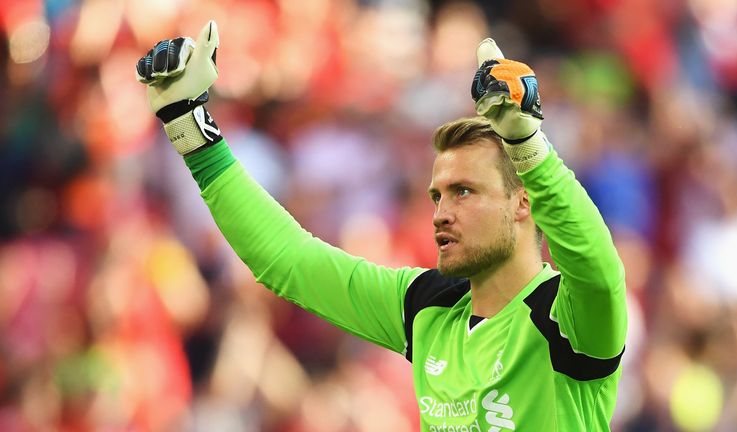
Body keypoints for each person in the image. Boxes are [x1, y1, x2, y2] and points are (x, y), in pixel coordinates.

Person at [135, 21, 627, 431]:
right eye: (437, 194)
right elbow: (286, 258)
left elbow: (597, 267)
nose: (441, 212)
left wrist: (528, 146)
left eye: (464, 192)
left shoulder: (569, 317)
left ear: (523, 203)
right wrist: (189, 127)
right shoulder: (427, 306)